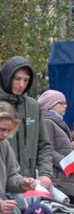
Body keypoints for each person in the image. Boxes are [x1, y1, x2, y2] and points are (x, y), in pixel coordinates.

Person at [0, 58, 53, 186]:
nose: (21, 84)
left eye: (26, 80)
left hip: (25, 183)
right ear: (7, 77)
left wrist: (45, 173)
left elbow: (44, 144)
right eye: (17, 79)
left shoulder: (33, 106)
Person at [35, 90, 74, 199]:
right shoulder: (47, 122)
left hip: (64, 180)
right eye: (61, 103)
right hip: (58, 181)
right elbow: (47, 151)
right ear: (50, 104)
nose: (65, 106)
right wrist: (71, 165)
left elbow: (63, 148)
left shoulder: (57, 122)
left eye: (65, 103)